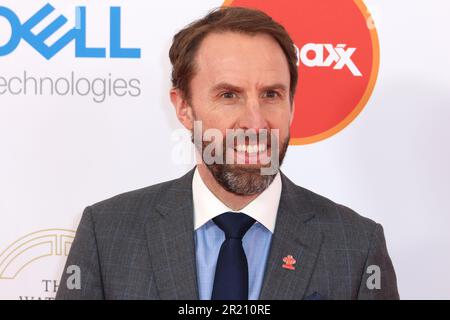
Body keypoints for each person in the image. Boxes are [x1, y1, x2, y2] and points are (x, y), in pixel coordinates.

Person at [56, 6, 399, 300]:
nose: (254, 122)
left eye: (271, 95)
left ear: (292, 104)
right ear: (184, 107)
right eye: (229, 95)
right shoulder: (107, 234)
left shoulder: (356, 246)